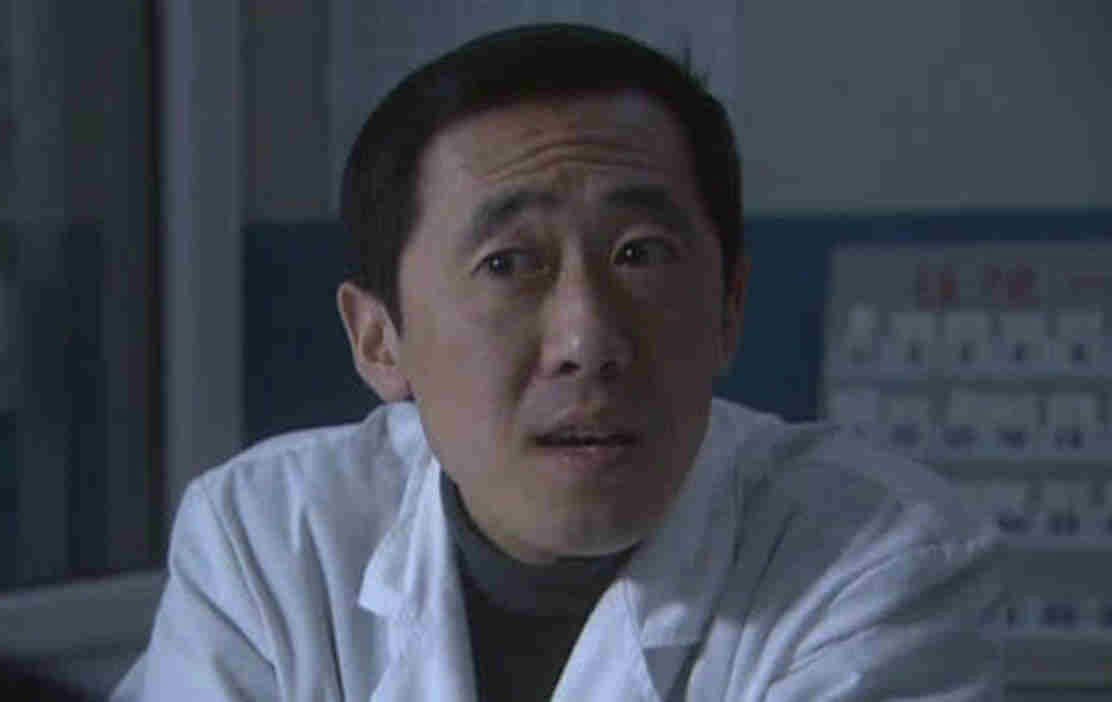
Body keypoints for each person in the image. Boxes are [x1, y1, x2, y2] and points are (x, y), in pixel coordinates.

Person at [113, 23, 1005, 701]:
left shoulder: (875, 559)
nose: (587, 341)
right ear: (380, 340)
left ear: (730, 306)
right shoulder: (272, 540)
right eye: (508, 265)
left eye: (641, 254)